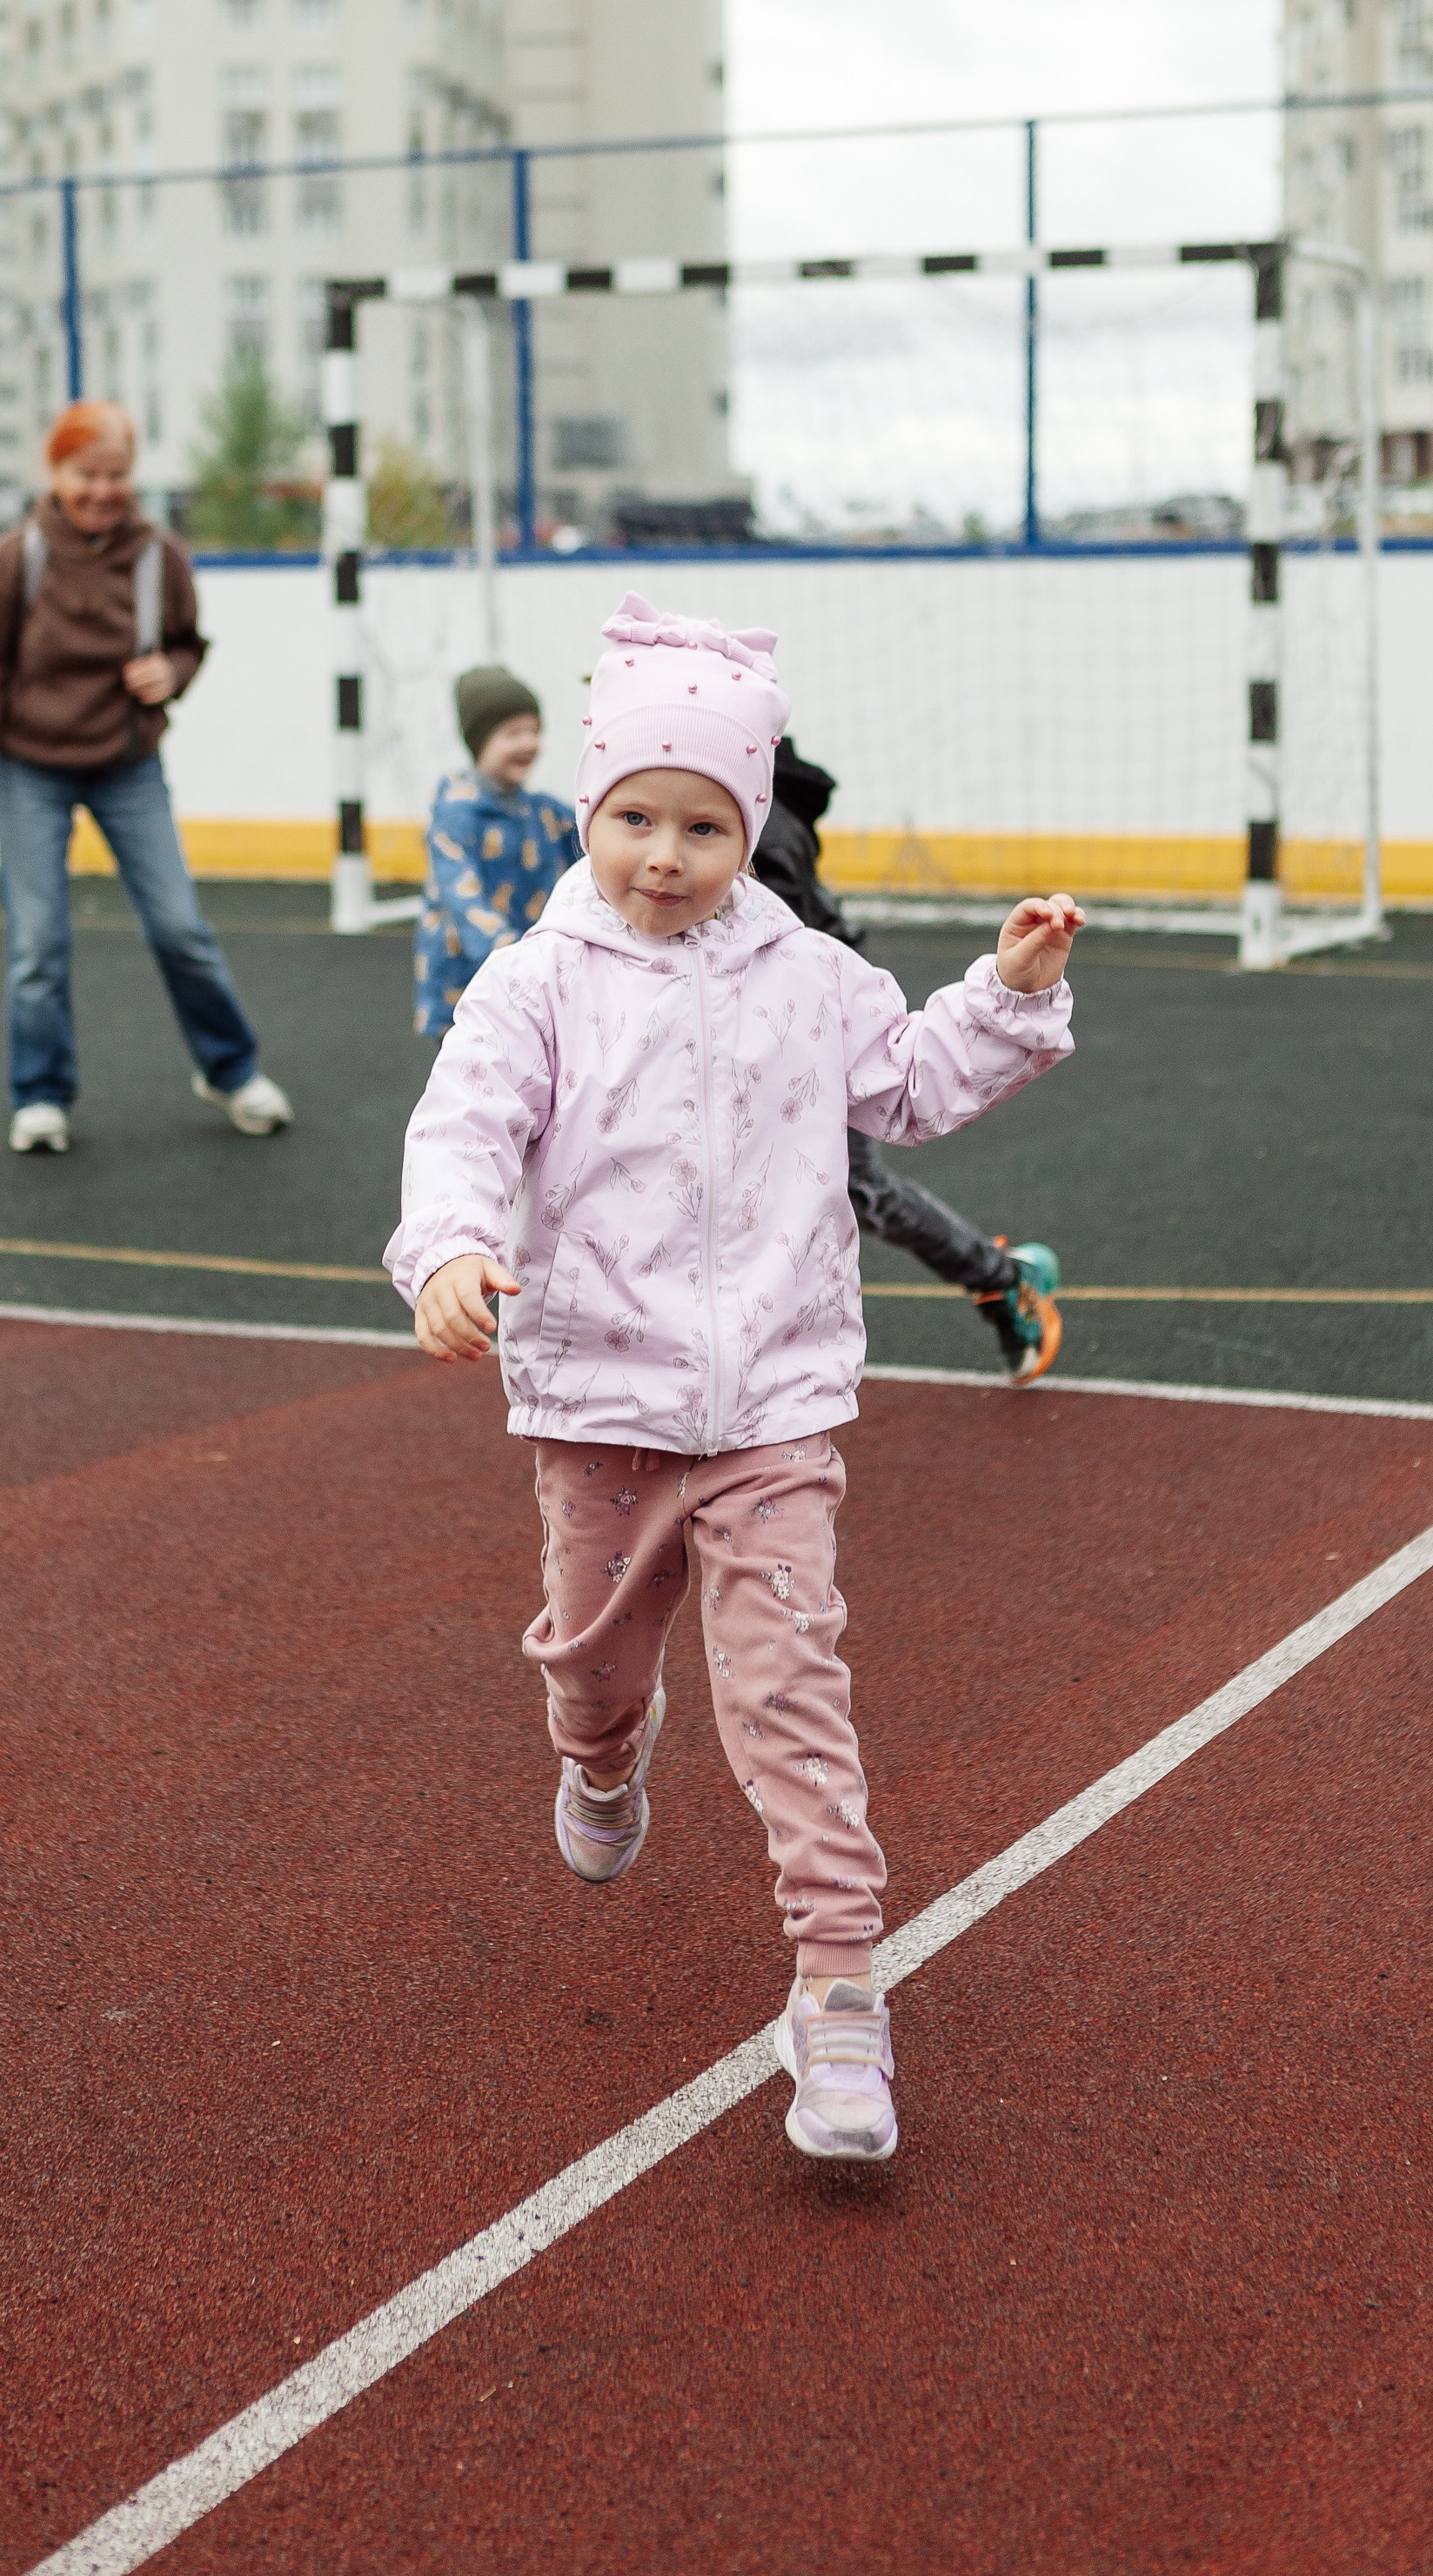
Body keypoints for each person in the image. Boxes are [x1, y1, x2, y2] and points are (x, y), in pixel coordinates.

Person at [385, 592, 1080, 2166]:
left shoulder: (802, 972)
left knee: (790, 1698)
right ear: (588, 812)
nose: (662, 854)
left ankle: (838, 1991)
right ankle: (599, 1760)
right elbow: (466, 1128)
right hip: (597, 1408)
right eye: (632, 816)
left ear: (746, 826)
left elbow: (905, 1084)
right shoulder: (537, 982)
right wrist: (444, 1249)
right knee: (592, 1661)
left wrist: (1009, 993)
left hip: (772, 1406)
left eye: (701, 824)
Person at [0, 398, 292, 1155]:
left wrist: (173, 670)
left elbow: (188, 645)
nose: (102, 490)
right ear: (56, 472)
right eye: (85, 474)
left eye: (117, 475)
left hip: (128, 768)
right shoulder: (19, 556)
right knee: (38, 942)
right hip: (31, 770)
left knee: (180, 928)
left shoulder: (158, 556)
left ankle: (229, 1070)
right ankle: (39, 1096)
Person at [753, 735, 1063, 1383]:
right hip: (758, 1031)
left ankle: (1006, 1281)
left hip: (807, 1028)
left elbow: (779, 946)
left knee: (856, 1188)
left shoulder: (764, 829)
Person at [412, 663, 582, 1036]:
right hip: (469, 985)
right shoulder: (456, 817)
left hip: (529, 983)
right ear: (479, 742)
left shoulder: (543, 811)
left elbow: (595, 848)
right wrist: (517, 958)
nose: (529, 743)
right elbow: (464, 902)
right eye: (512, 733)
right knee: (472, 1085)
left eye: (535, 731)